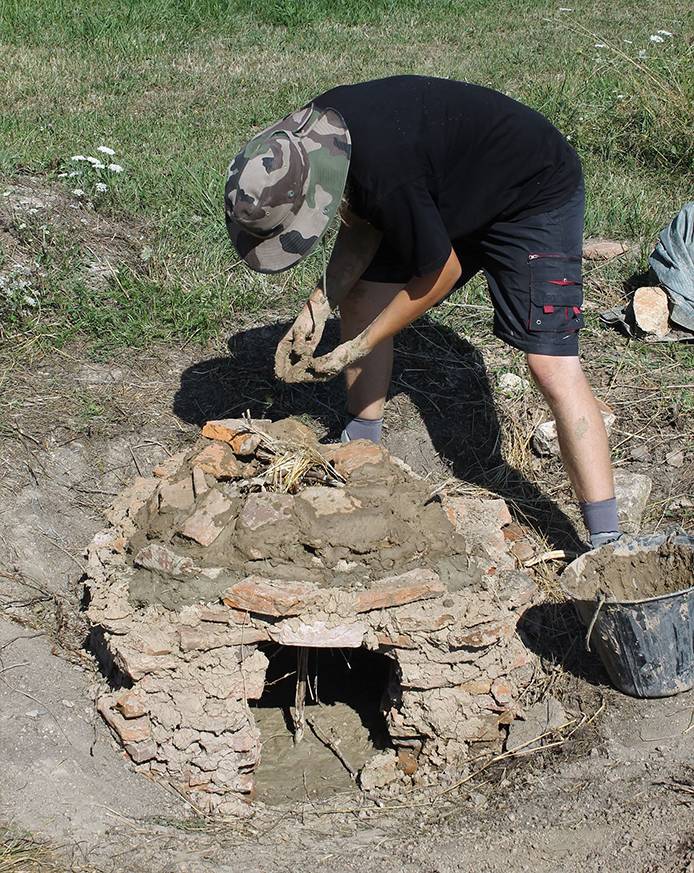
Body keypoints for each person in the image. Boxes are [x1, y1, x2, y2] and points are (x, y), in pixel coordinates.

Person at [224, 75, 620, 548]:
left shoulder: (378, 167)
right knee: (360, 300)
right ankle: (361, 450)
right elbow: (362, 215)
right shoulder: (320, 143)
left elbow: (441, 274)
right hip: (443, 191)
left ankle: (606, 539)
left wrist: (358, 345)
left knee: (551, 366)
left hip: (530, 191)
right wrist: (318, 305)